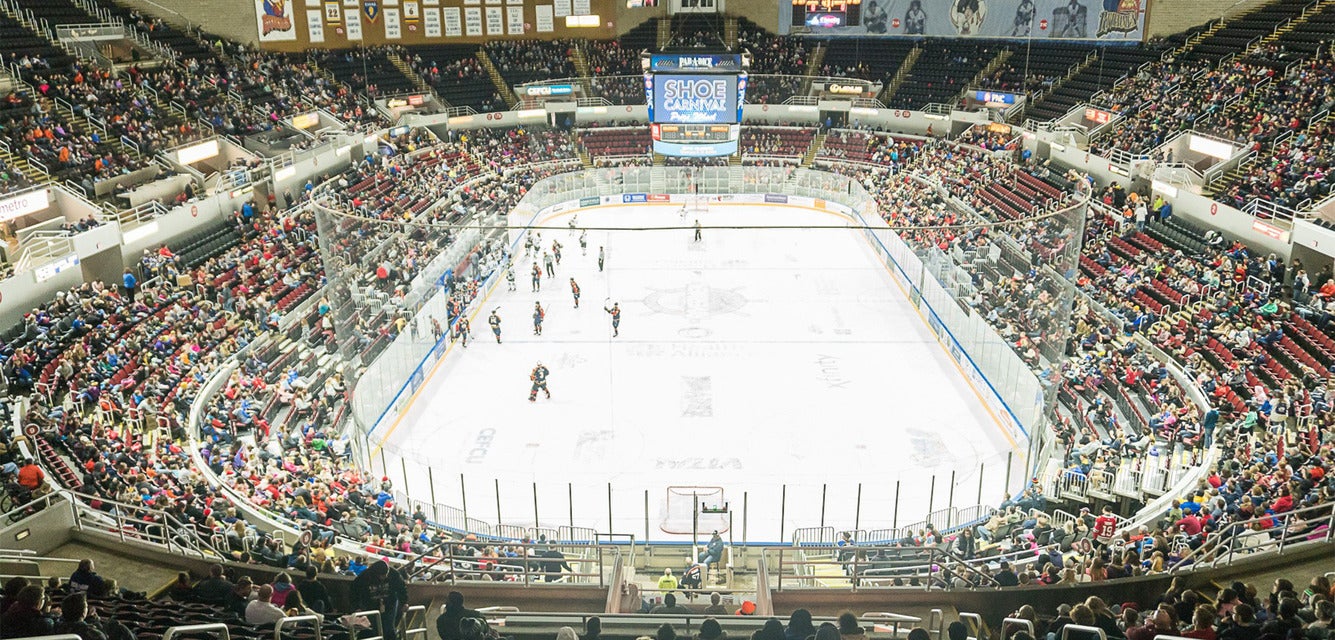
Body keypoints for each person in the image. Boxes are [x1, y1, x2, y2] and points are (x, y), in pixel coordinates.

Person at [350, 560, 408, 640]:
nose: (384, 577)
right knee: (377, 628)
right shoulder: (365, 576)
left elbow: (401, 588)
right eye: (382, 575)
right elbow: (354, 591)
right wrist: (357, 607)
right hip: (371, 605)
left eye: (385, 575)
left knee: (388, 627)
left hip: (390, 604)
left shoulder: (394, 574)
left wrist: (404, 602)